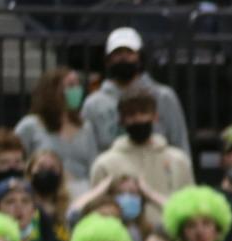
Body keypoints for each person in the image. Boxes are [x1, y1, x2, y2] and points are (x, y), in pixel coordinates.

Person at [82, 29, 190, 158]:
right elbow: (88, 150)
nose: (123, 57)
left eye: (129, 52)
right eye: (117, 53)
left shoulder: (164, 96)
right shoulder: (93, 104)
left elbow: (180, 143)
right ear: (108, 60)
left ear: (140, 57)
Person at [90, 90, 194, 217]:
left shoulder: (179, 160)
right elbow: (96, 210)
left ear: (155, 116)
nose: (138, 119)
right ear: (121, 121)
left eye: (144, 112)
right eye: (131, 114)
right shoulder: (105, 164)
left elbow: (191, 206)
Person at [14, 69, 99, 193]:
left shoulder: (85, 127)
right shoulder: (31, 125)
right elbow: (17, 160)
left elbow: (93, 165)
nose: (76, 89)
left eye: (77, 84)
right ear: (52, 90)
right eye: (70, 85)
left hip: (81, 191)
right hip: (44, 191)